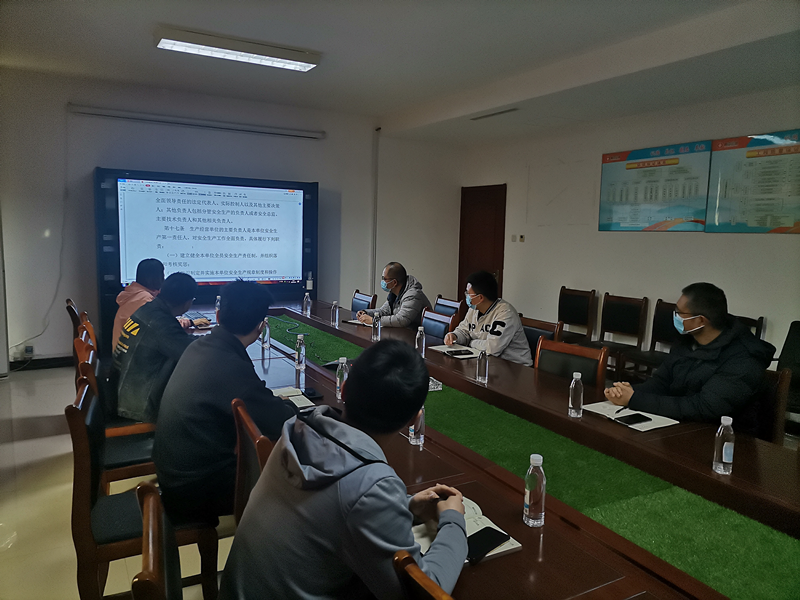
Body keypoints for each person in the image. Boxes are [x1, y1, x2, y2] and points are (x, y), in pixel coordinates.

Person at [219, 340, 468, 600]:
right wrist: (453, 520)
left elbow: (335, 512)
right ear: (414, 419)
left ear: (344, 388)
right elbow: (424, 592)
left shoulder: (297, 429)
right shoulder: (370, 485)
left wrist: (407, 505)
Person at [153, 280, 296, 525]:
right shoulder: (230, 365)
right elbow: (281, 422)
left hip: (172, 476)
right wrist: (289, 406)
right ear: (260, 326)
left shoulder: (200, 346)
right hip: (194, 491)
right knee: (295, 479)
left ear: (218, 316)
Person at [605, 282, 775, 433]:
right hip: (681, 425)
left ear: (700, 320)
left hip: (726, 439)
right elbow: (662, 382)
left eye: (679, 312)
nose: (675, 316)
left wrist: (635, 399)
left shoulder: (744, 359)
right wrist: (628, 392)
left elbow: (703, 408)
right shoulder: (687, 340)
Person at [111, 272, 198, 422]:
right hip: (138, 405)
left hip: (122, 390)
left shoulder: (148, 309)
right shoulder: (161, 324)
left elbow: (179, 341)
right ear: (188, 303)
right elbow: (192, 354)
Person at [444, 271, 532, 366]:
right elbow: (464, 330)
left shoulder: (505, 313)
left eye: (469, 294)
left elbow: (492, 349)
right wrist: (454, 336)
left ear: (480, 298)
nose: (467, 296)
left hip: (515, 367)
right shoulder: (474, 309)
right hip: (486, 362)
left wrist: (471, 343)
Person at [356, 262, 432, 328]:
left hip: (416, 335)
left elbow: (401, 320)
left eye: (385, 279)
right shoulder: (394, 293)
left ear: (394, 282)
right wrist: (366, 313)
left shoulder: (413, 295)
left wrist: (374, 320)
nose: (382, 281)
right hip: (402, 332)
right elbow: (384, 311)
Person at [111, 258, 165, 352]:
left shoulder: (134, 294)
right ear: (154, 278)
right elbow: (163, 327)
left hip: (122, 353)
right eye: (162, 274)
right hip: (130, 356)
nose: (164, 279)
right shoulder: (144, 300)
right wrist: (189, 322)